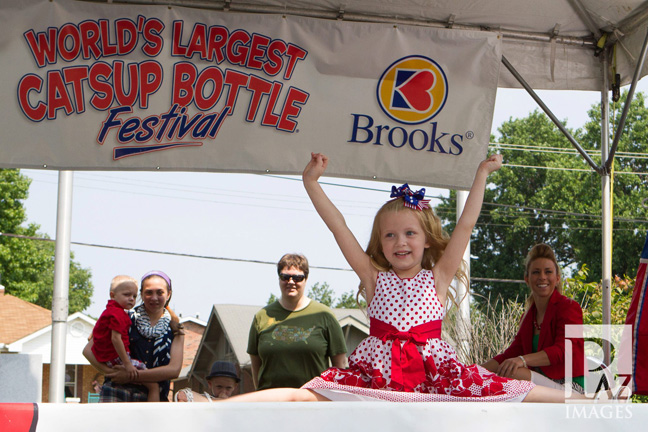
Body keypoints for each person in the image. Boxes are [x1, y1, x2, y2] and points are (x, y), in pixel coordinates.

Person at [226, 152, 573, 403]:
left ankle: (593, 405)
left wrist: (480, 175)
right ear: (380, 242)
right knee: (303, 396)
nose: (400, 241)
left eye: (409, 233)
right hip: (375, 375)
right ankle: (218, 406)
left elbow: (466, 224)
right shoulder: (373, 276)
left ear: (426, 240)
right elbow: (338, 226)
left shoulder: (437, 276)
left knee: (515, 391)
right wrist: (311, 182)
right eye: (389, 235)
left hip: (434, 375)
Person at [481, 244, 585, 393]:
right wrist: (474, 371)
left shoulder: (569, 307)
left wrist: (523, 360)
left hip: (570, 388)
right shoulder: (528, 317)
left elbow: (563, 351)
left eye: (548, 272)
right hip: (541, 387)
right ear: (527, 279)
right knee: (500, 372)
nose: (542, 277)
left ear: (557, 278)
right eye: (536, 272)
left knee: (512, 371)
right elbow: (509, 355)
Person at [247, 253, 348, 389]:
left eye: (297, 278)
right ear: (279, 278)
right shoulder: (262, 317)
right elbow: (255, 366)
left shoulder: (325, 316)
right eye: (285, 277)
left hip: (314, 402)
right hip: (272, 403)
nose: (291, 282)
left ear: (306, 279)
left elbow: (340, 365)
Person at [83, 270, 185, 402]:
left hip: (153, 400)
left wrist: (130, 376)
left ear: (168, 294)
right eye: (149, 292)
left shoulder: (175, 328)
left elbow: (174, 370)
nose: (154, 297)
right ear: (141, 294)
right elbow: (88, 350)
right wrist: (112, 373)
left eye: (160, 292)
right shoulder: (122, 316)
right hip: (117, 394)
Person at [90, 275, 159, 402]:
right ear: (113, 295)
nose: (131, 299)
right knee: (152, 383)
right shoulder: (118, 314)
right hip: (116, 358)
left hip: (107, 357)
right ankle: (153, 414)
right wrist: (127, 364)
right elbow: (116, 339)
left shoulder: (109, 311)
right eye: (127, 295)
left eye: (134, 296)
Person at [175, 360, 240, 402]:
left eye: (228, 388)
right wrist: (218, 401)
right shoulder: (203, 400)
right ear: (210, 384)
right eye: (219, 387)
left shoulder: (241, 404)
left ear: (235, 386)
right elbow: (182, 395)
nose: (223, 392)